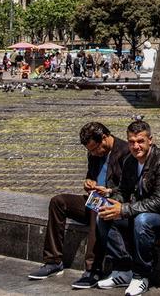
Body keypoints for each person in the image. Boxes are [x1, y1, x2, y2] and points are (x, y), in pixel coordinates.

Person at [28, 122, 129, 289]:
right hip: (96, 199)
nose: (94, 153)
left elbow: (130, 188)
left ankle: (93, 269)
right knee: (58, 202)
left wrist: (109, 191)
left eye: (95, 149)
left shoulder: (125, 151)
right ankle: (53, 261)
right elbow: (91, 177)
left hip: (114, 202)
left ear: (104, 138)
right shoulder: (93, 154)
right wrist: (89, 183)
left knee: (96, 207)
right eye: (90, 151)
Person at [96, 119, 160, 295]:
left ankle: (141, 276)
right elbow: (123, 191)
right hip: (142, 211)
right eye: (131, 142)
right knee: (103, 215)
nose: (136, 146)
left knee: (142, 220)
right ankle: (123, 269)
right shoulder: (130, 161)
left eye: (140, 141)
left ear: (150, 140)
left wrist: (124, 210)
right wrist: (110, 202)